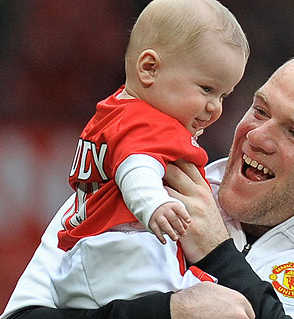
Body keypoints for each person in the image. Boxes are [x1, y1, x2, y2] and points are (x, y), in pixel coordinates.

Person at [0, 46, 294, 319]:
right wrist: (167, 312)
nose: (257, 136)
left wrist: (218, 258)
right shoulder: (141, 185)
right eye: (259, 109)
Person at [48, 0, 249, 309]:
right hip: (124, 259)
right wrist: (154, 204)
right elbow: (136, 167)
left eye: (223, 95)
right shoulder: (149, 124)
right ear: (149, 69)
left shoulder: (116, 110)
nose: (215, 107)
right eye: (206, 89)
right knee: (213, 305)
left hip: (91, 260)